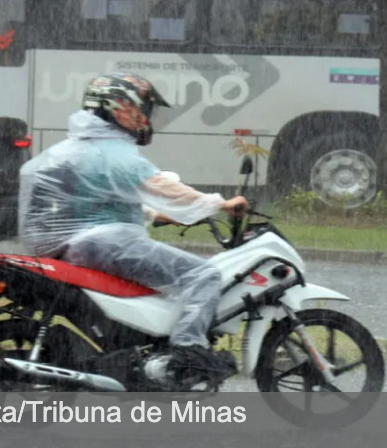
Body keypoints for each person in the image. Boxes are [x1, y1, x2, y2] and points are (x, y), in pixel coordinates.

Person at [18, 72, 249, 384]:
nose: (147, 117)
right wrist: (219, 204)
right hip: (100, 242)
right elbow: (161, 186)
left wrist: (158, 217)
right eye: (145, 109)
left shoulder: (72, 149)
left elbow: (95, 201)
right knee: (202, 275)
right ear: (121, 107)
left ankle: (144, 351)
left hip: (74, 243)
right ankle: (187, 353)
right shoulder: (112, 151)